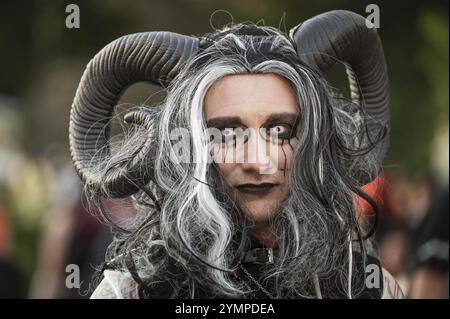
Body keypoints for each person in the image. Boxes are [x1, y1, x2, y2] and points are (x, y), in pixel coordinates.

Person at [68, 10, 404, 299]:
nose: (258, 162)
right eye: (227, 134)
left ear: (314, 139)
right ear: (190, 145)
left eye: (281, 131)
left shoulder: (364, 288)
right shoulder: (134, 291)